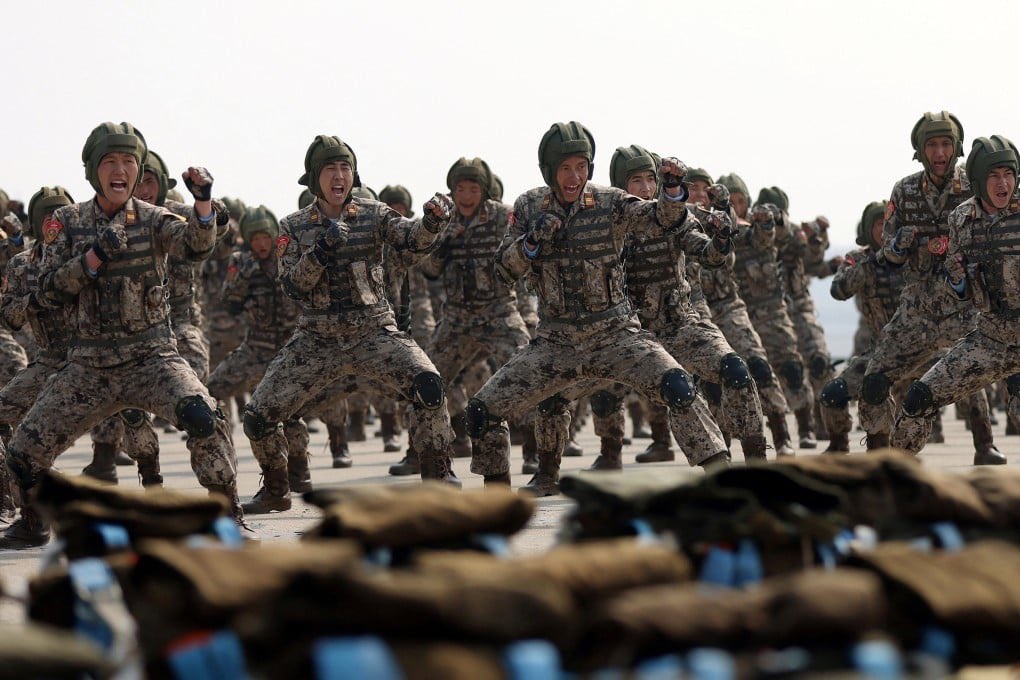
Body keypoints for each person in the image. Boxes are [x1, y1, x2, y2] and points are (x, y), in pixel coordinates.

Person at [0, 121, 253, 548]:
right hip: (88, 367)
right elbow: (46, 290)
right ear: (93, 170)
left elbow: (194, 246)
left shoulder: (153, 219)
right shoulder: (68, 222)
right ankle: (33, 521)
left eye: (128, 162)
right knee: (23, 452)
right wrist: (91, 260)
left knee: (204, 418)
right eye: (110, 162)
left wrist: (204, 204)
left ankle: (228, 519)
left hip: (152, 359)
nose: (120, 170)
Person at [467, 121, 731, 487]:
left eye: (581, 166)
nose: (574, 177)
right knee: (482, 411)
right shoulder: (529, 206)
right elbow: (503, 270)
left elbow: (660, 219)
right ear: (549, 170)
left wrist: (672, 189)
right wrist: (530, 243)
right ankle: (510, 495)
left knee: (679, 388)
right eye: (565, 168)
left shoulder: (610, 202)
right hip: (555, 342)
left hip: (616, 335)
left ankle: (723, 480)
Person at [239, 134, 459, 511]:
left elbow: (411, 240)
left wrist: (433, 222)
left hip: (373, 330)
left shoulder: (374, 213)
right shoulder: (293, 226)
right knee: (258, 416)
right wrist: (320, 251)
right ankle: (276, 488)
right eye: (330, 169)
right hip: (317, 337)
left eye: (345, 168)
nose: (339, 176)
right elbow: (292, 286)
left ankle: (437, 473)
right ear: (315, 177)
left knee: (429, 386)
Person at [860, 111, 1001, 463]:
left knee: (970, 373)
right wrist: (898, 246)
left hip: (963, 307)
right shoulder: (904, 190)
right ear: (920, 151)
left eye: (946, 144)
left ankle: (984, 444)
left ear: (957, 147)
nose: (940, 153)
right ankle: (878, 457)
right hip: (917, 310)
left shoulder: (975, 185)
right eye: (932, 145)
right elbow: (888, 252)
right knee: (875, 380)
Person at [890, 135, 1018, 464]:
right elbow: (960, 290)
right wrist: (958, 279)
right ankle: (893, 476)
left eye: (1009, 174)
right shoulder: (961, 219)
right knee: (917, 400)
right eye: (994, 176)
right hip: (991, 338)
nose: (1003, 183)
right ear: (978, 180)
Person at [0, 186, 75, 523]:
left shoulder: (90, 255)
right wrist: (35, 301)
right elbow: (9, 318)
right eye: (46, 216)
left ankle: (151, 483)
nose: (53, 222)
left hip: (93, 359)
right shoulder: (22, 265)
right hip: (49, 360)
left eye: (60, 215)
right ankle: (21, 507)